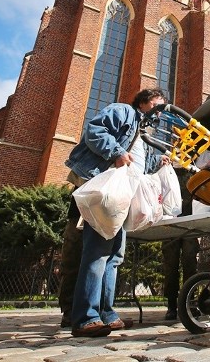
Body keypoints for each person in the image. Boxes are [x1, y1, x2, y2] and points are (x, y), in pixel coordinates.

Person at [62, 88, 167, 338]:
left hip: (122, 198)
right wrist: (117, 153)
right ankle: (85, 317)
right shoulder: (123, 111)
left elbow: (139, 166)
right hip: (104, 190)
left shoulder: (144, 134)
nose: (159, 113)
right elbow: (95, 131)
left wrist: (159, 162)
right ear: (143, 102)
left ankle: (106, 314)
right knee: (98, 251)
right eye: (157, 106)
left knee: (114, 256)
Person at [161, 161, 199, 321]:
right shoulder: (166, 170)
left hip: (189, 222)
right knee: (170, 265)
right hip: (170, 224)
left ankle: (190, 302)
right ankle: (171, 305)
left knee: (190, 263)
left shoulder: (193, 170)